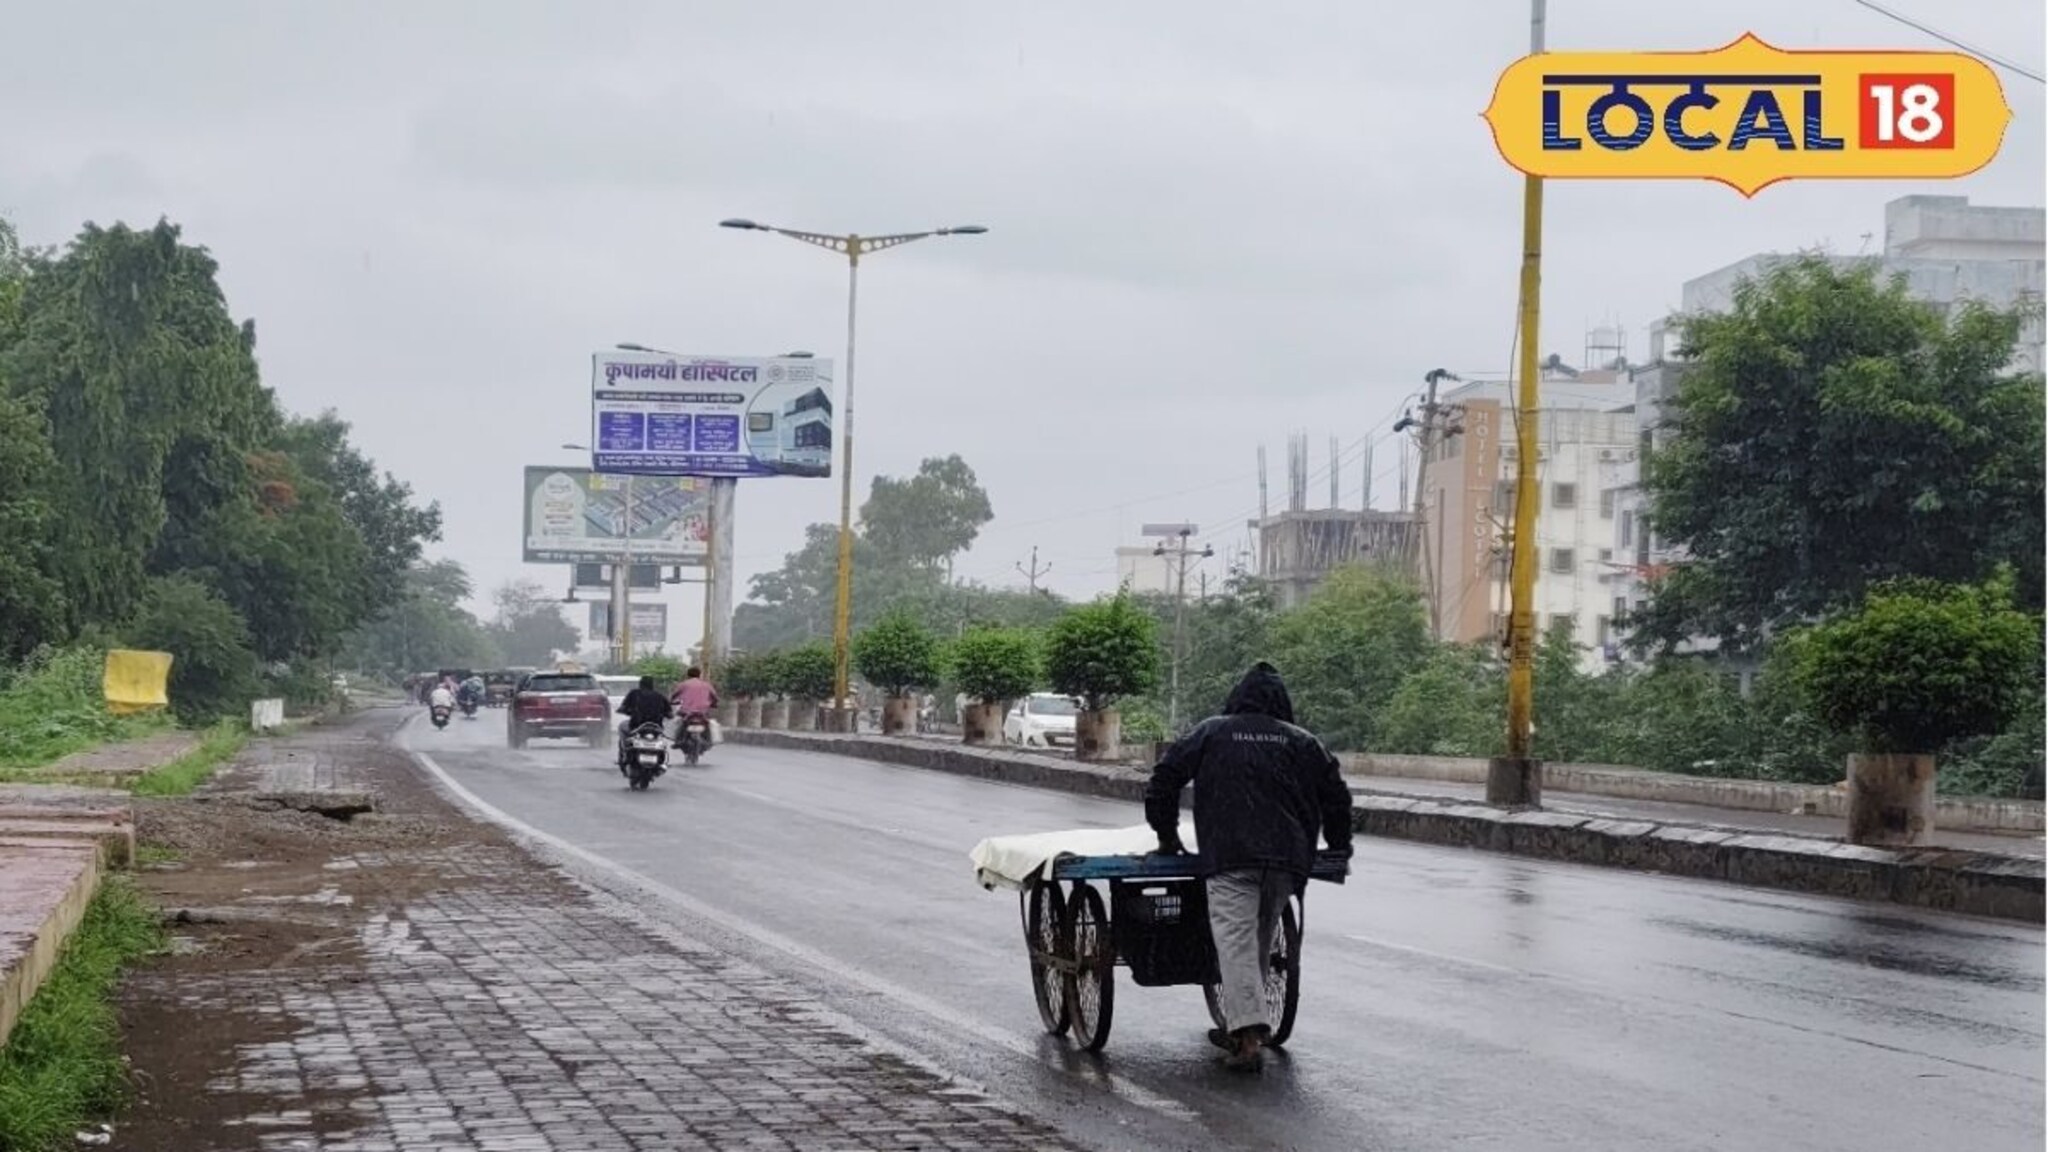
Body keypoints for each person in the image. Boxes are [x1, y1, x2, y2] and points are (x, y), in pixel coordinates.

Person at [1142, 661, 1353, 1073]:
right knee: (1257, 936)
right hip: (1288, 860)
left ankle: (1248, 1039)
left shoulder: (1212, 732)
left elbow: (1164, 779)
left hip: (1231, 855)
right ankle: (1244, 1024)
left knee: (1236, 940)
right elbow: (1337, 798)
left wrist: (1167, 835)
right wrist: (1339, 846)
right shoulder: (1304, 741)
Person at [617, 676, 674, 771]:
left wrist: (625, 711)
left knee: (622, 727)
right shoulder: (660, 696)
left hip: (636, 725)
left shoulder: (634, 693)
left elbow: (623, 708)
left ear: (640, 684)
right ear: (652, 685)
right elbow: (670, 714)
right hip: (656, 727)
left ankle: (624, 753)